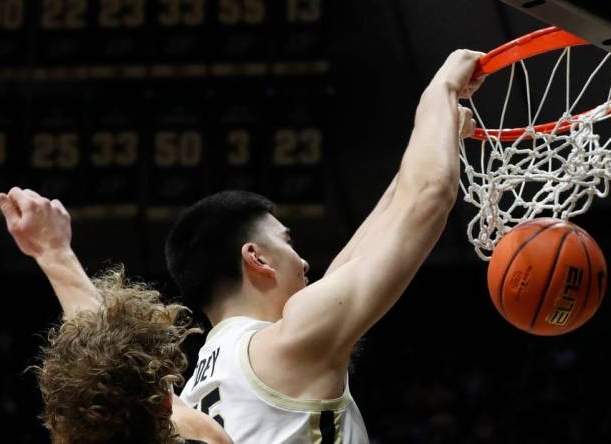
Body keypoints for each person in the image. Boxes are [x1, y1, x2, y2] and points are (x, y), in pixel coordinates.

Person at [164, 50, 485, 442]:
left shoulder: (195, 390)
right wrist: (441, 89)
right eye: (287, 243)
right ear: (257, 257)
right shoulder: (290, 342)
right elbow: (430, 196)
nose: (303, 263)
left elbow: (356, 260)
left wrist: (437, 136)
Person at [0, 188, 232, 444]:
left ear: (61, 418)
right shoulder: (205, 434)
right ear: (165, 403)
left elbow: (108, 359)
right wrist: (54, 251)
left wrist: (52, 252)